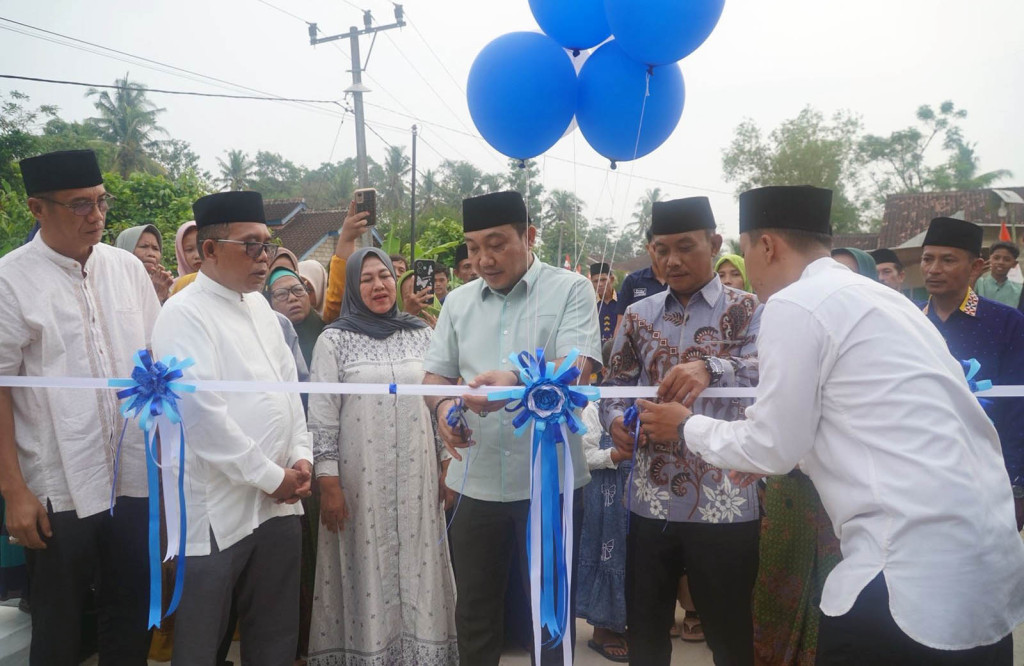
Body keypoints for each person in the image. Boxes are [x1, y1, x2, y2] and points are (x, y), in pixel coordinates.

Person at [637, 185, 1024, 665]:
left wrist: (686, 426)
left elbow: (770, 446)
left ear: (767, 246)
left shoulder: (797, 303)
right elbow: (857, 417)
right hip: (984, 561)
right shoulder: (884, 300)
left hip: (907, 572)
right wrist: (776, 452)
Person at [422, 191, 602, 666]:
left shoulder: (570, 290)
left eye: (497, 244)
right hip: (475, 484)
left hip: (550, 484)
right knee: (476, 612)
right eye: (473, 246)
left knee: (548, 614)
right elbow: (435, 378)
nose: (483, 258)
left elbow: (579, 366)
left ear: (529, 236)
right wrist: (443, 410)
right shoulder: (457, 303)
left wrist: (516, 383)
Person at [0, 149, 161, 665]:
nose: (95, 216)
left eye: (100, 202)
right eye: (79, 206)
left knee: (129, 616)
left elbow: (157, 360)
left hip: (133, 473)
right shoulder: (10, 280)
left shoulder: (127, 269)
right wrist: (14, 491)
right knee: (60, 624)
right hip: (57, 485)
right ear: (36, 208)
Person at [151, 190, 313, 665]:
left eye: (267, 243)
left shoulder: (263, 309)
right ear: (208, 249)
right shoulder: (182, 314)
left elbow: (291, 392)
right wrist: (273, 477)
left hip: (279, 505)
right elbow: (202, 417)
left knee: (274, 637)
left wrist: (300, 456)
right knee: (203, 640)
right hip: (218, 511)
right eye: (250, 245)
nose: (264, 257)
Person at [601, 196, 761, 666]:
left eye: (686, 247)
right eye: (661, 249)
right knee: (647, 634)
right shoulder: (638, 315)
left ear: (714, 244)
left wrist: (711, 366)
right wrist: (615, 423)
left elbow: (768, 373)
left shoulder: (750, 309)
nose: (672, 260)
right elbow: (614, 386)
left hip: (725, 497)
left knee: (730, 636)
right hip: (651, 497)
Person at [306, 247, 458, 665]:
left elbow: (437, 402)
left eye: (385, 276)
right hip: (360, 484)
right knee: (364, 568)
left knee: (419, 563)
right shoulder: (333, 340)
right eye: (367, 279)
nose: (379, 286)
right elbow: (322, 419)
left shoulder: (422, 334)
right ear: (354, 287)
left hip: (418, 477)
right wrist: (329, 483)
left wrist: (447, 465)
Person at [752, 244, 879, 665]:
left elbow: (778, 441)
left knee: (838, 594)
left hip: (846, 498)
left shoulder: (808, 310)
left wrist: (688, 427)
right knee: (779, 585)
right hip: (791, 489)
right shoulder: (798, 321)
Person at [919, 218, 1024, 530]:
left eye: (948, 259)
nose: (933, 269)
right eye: (928, 259)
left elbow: (1019, 404)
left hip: (988, 470)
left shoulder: (1007, 323)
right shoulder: (907, 320)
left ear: (976, 267)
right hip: (921, 472)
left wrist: (1017, 482)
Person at [576, 397, 631, 663]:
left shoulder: (648, 404)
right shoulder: (594, 409)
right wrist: (617, 455)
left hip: (636, 494)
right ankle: (602, 631)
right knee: (608, 553)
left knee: (633, 554)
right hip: (606, 494)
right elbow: (583, 455)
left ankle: (622, 624)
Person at [266, 266, 325, 369]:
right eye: (281, 294)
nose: (293, 298)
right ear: (269, 302)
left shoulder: (328, 334)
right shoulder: (266, 343)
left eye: (298, 290)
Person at [615, 228, 667, 331]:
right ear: (648, 248)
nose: (660, 252)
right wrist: (616, 345)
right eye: (656, 247)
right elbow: (621, 323)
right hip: (641, 343)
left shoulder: (681, 282)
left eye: (665, 248)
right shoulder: (633, 281)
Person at [115, 224, 175, 302]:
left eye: (155, 248)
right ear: (126, 249)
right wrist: (155, 295)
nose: (151, 254)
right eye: (144, 246)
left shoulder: (163, 286)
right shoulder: (112, 286)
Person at [975, 241, 1023, 309]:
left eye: (1007, 260)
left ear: (1014, 264)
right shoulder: (977, 283)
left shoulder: (1020, 290)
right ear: (990, 259)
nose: (1000, 262)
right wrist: (974, 277)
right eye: (996, 258)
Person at [169, 220, 201, 296]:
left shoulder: (224, 284)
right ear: (180, 253)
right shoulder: (173, 288)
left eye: (201, 248)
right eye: (189, 250)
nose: (197, 256)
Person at [590, 262, 618, 344]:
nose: (600, 284)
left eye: (603, 280)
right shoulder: (590, 303)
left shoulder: (623, 300)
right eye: (596, 281)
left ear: (611, 279)